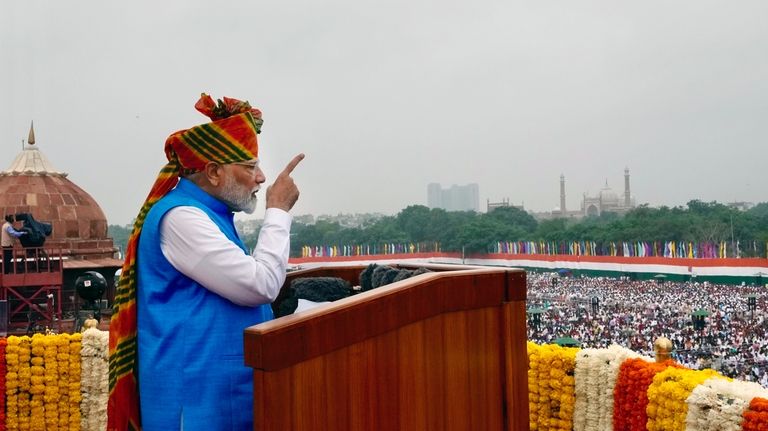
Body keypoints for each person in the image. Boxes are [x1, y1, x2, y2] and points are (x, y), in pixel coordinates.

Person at [108, 94, 304, 431]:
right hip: (195, 404)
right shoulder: (182, 218)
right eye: (249, 166)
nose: (261, 178)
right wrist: (278, 211)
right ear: (213, 172)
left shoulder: (210, 215)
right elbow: (261, 285)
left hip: (217, 393)